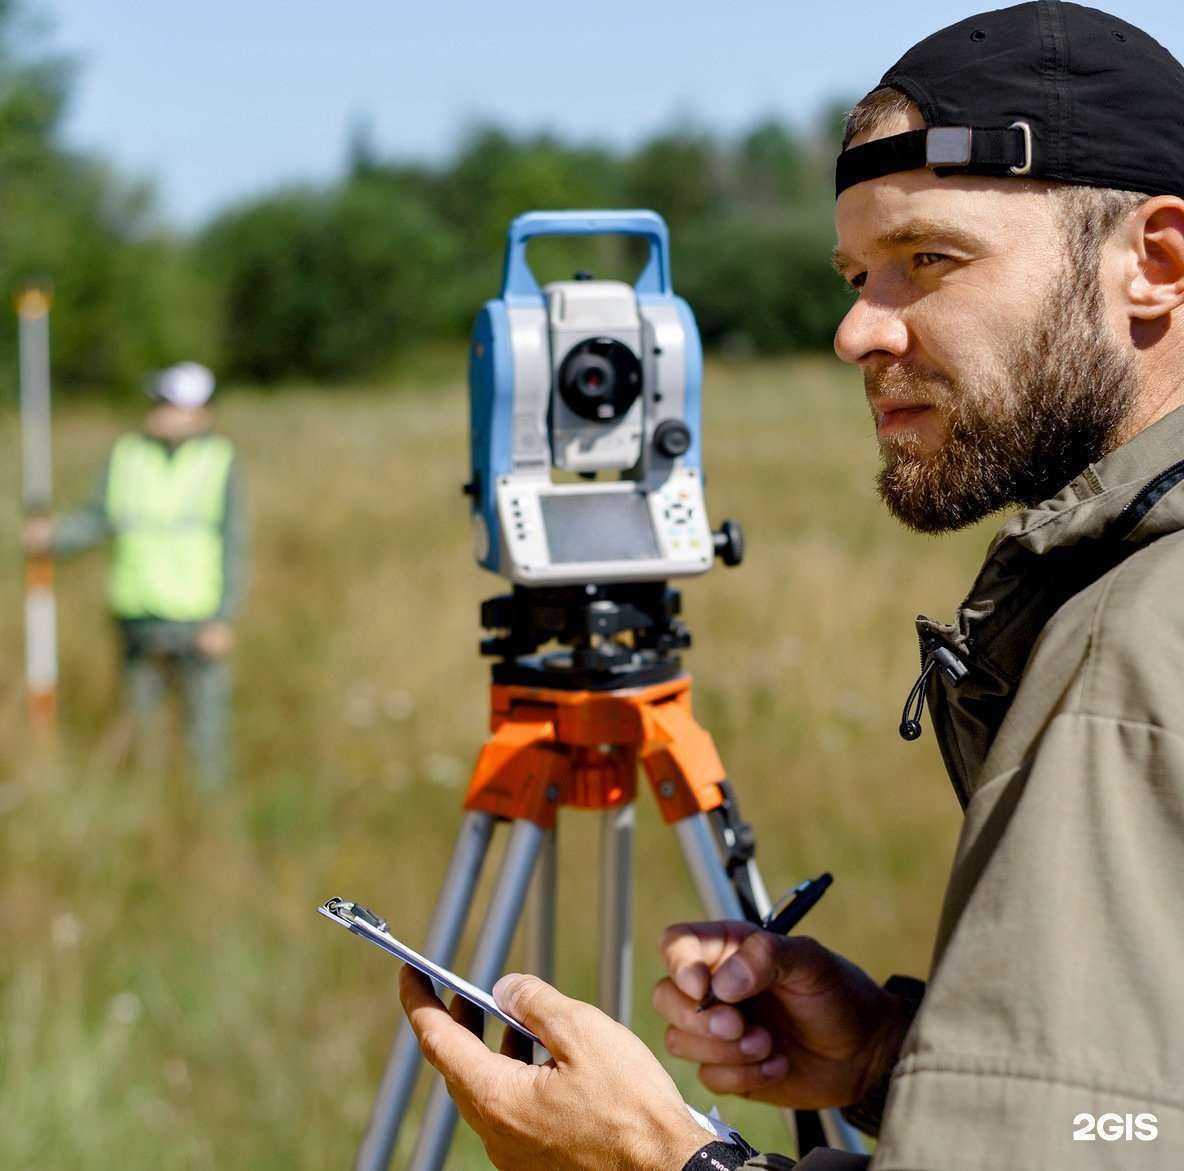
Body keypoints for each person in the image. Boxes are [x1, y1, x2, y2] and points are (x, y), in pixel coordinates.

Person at [396, 3, 1184, 1166]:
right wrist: (892, 1059)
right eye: (855, 273)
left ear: (1152, 265)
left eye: (926, 260)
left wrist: (667, 1160)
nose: (855, 330)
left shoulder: (1128, 642)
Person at [24, 361, 248, 789]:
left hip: (197, 618)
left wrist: (224, 616)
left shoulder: (219, 461)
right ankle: (149, 814)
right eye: (157, 401)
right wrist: (53, 536)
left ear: (199, 412)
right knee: (141, 732)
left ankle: (208, 824)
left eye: (169, 403)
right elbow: (98, 519)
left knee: (206, 737)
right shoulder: (128, 454)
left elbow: (236, 544)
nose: (157, 410)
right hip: (136, 613)